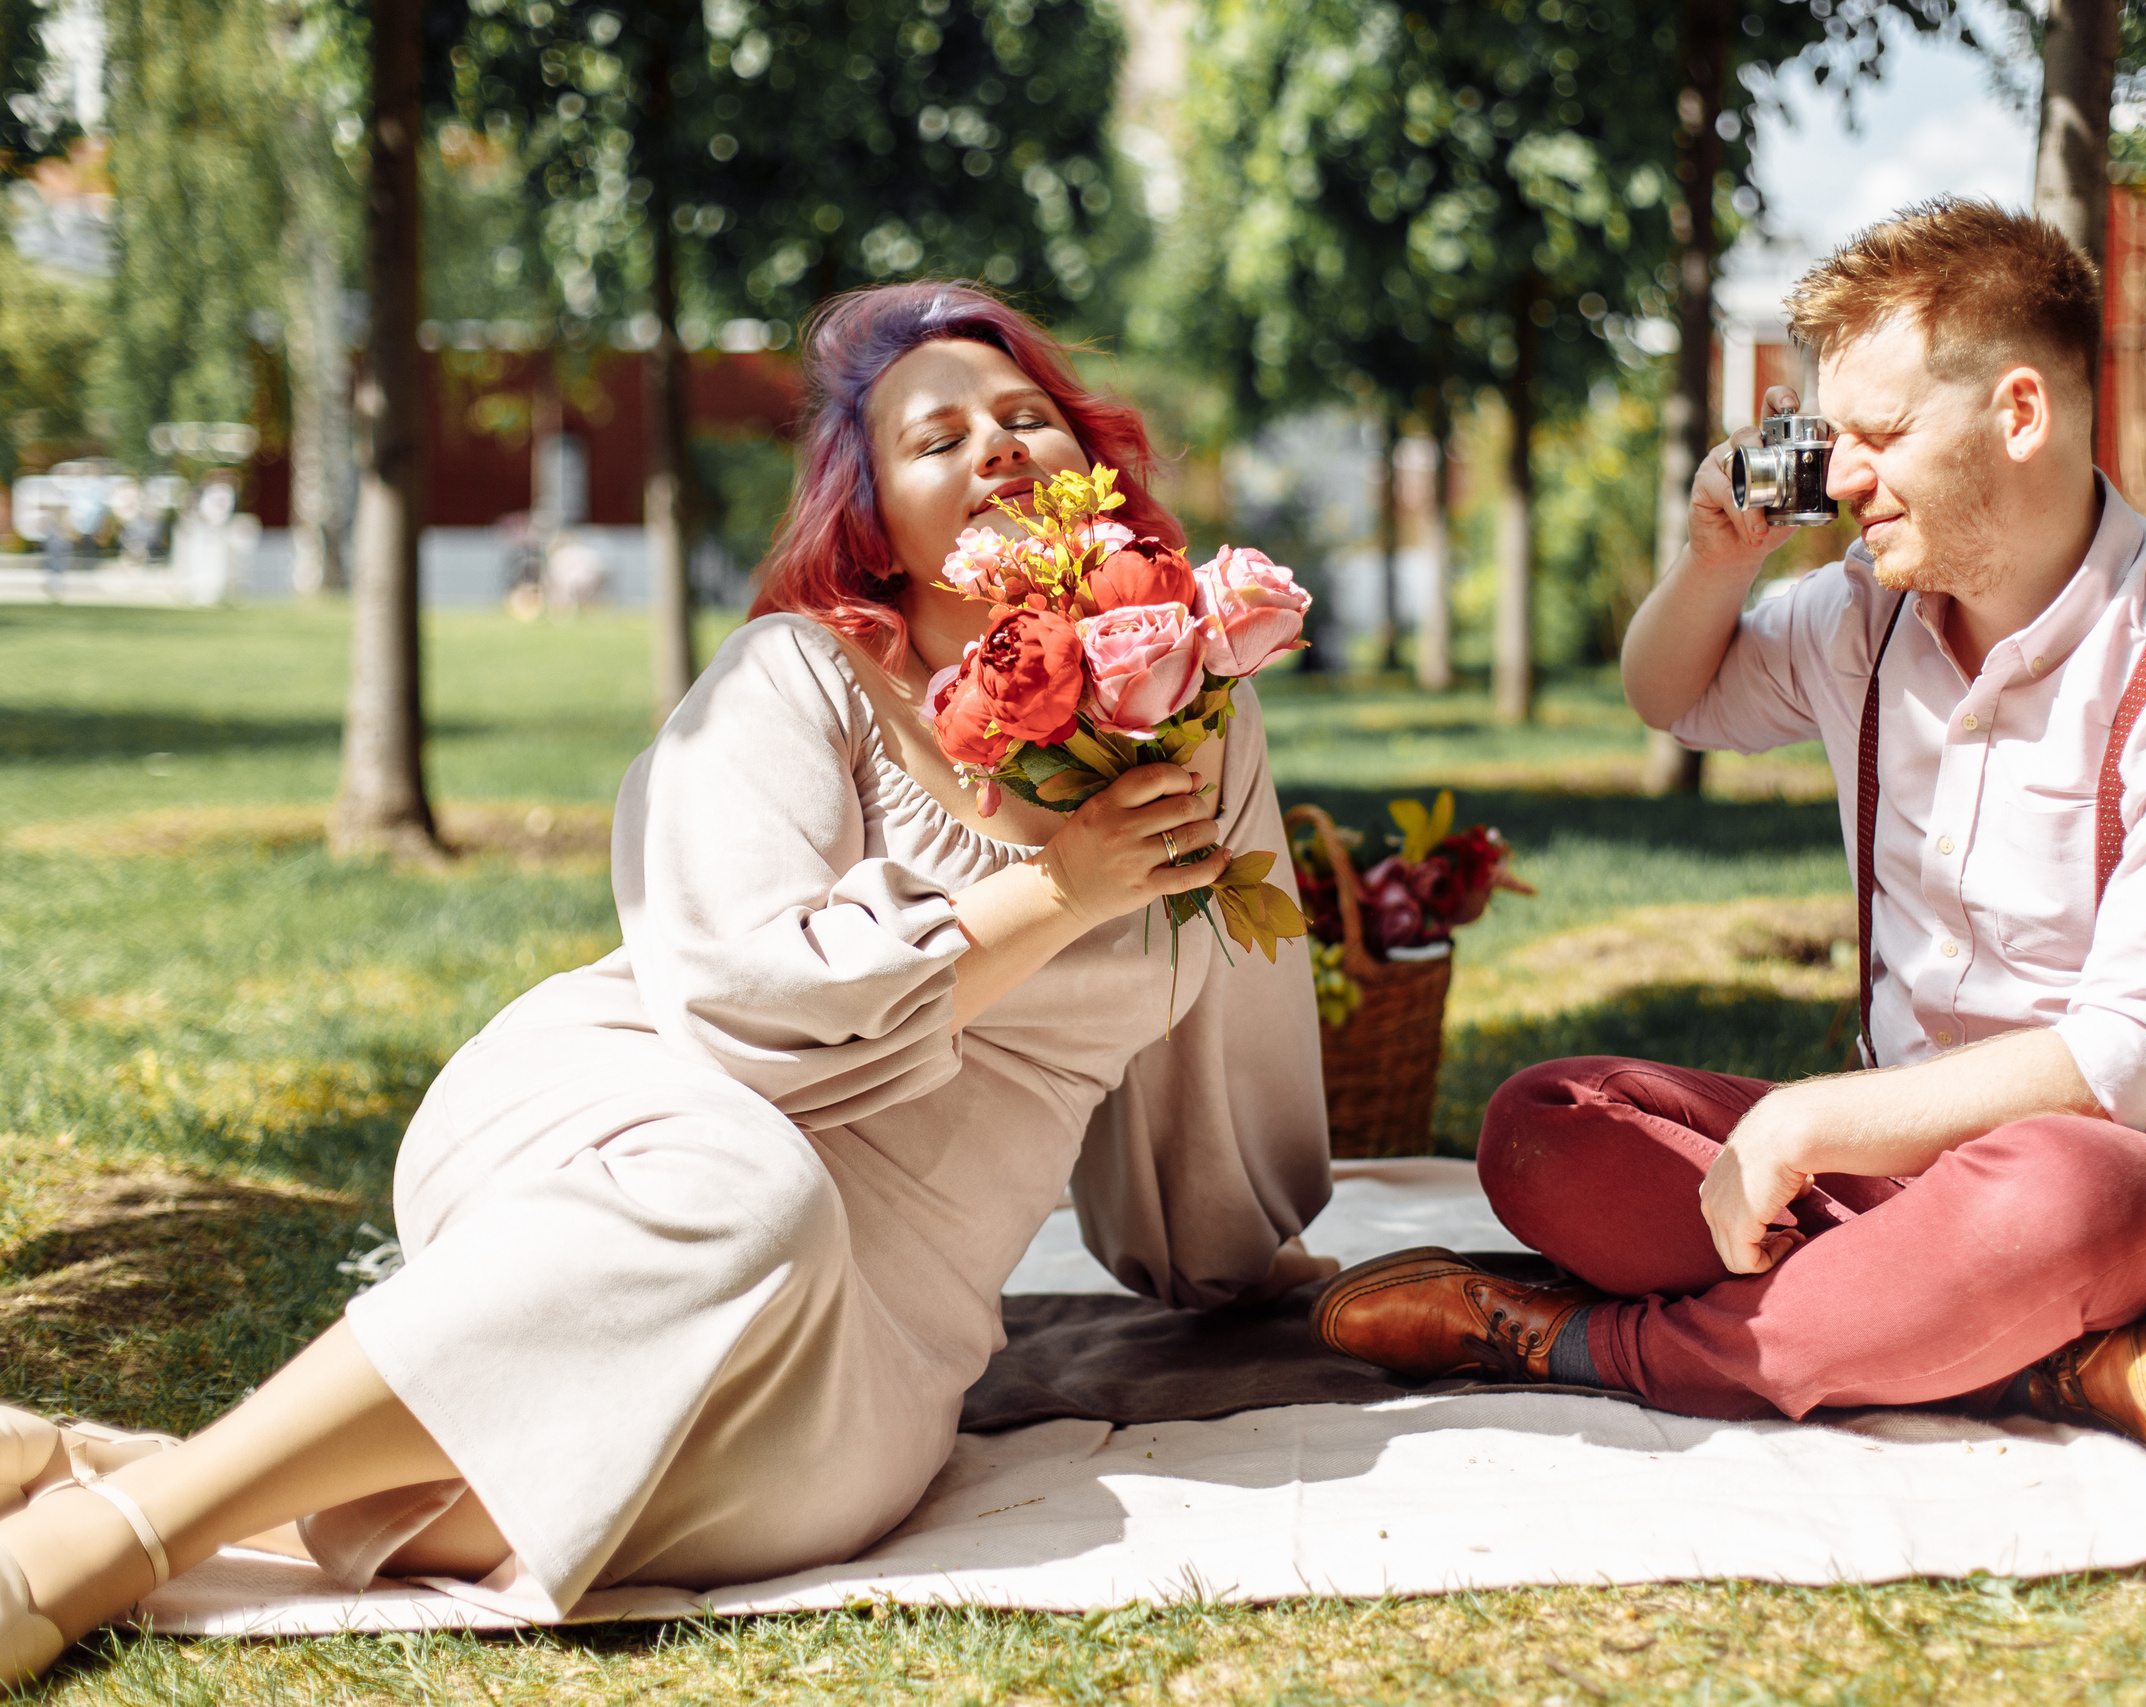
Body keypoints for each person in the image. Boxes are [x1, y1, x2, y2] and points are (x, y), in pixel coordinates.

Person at [0, 282, 1333, 1685]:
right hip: (642, 1118)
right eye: (936, 438)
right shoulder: (794, 678)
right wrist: (1056, 891)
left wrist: (1236, 1270)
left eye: (1026, 420)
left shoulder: (1189, 712)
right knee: (750, 1201)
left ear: (1095, 471)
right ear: (875, 517)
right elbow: (749, 1015)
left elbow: (1217, 1037)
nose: (997, 447)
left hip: (894, 1320)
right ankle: (102, 1544)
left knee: (748, 1488)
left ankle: (99, 1463)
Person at [1314, 199, 2146, 1452]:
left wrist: (1803, 1123)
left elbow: (2128, 1056)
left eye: (1883, 434)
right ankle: (2031, 1361)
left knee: (2053, 1200)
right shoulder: (1862, 616)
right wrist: (1713, 563)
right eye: (1832, 436)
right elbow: (1668, 694)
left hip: (2145, 1178)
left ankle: (1567, 1342)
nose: (1843, 477)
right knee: (1545, 1123)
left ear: (2022, 413)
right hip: (1893, 1158)